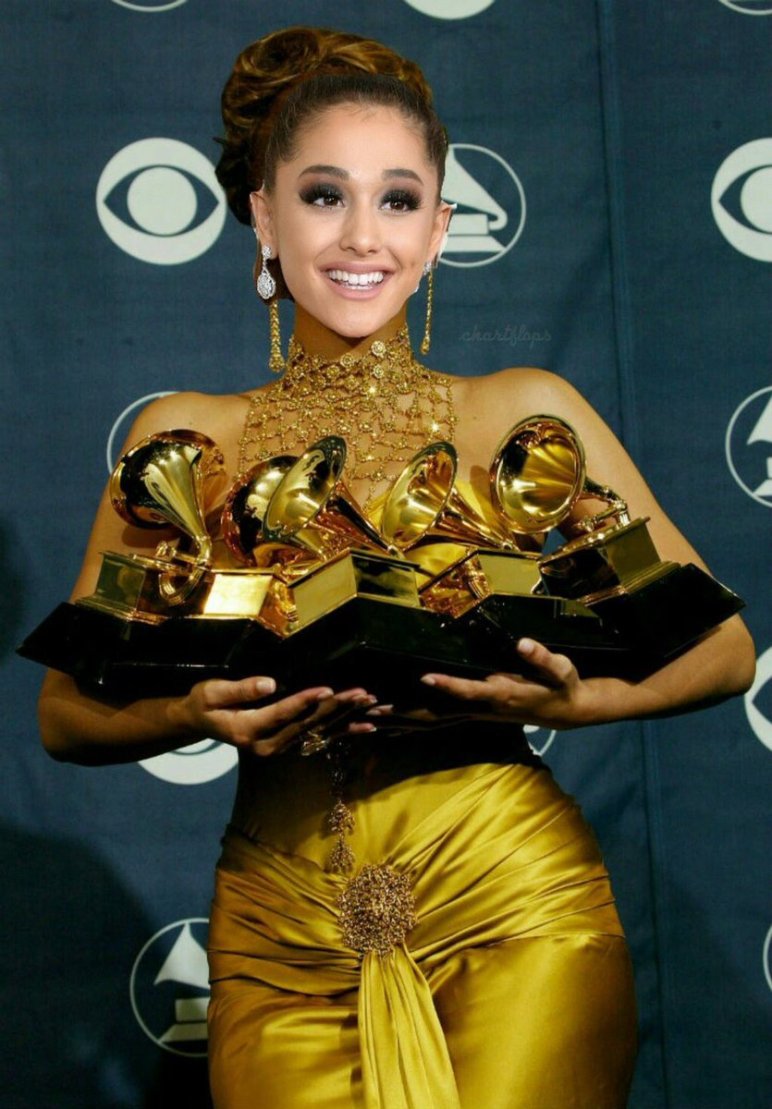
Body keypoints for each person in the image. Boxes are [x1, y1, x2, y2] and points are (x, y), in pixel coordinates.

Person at [38, 26, 755, 1109]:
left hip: (510, 902)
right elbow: (65, 712)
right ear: (263, 216)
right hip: (280, 940)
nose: (362, 235)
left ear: (439, 229)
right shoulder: (183, 441)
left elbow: (725, 648)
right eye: (324, 196)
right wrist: (193, 711)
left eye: (399, 199)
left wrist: (580, 700)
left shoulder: (522, 415)